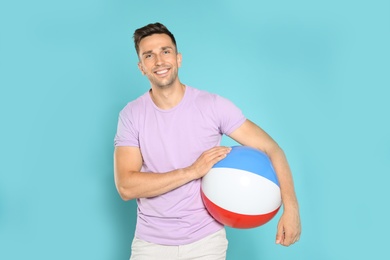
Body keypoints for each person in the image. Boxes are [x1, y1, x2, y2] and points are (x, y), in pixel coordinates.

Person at [114, 22, 301, 260]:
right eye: (149, 56)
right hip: (150, 244)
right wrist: (193, 171)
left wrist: (291, 208)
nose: (159, 61)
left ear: (178, 58)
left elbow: (272, 148)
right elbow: (126, 186)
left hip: (205, 243)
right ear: (141, 67)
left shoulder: (213, 106)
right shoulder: (131, 115)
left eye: (166, 51)